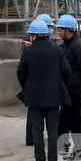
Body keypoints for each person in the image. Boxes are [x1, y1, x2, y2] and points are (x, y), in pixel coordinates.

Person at [17, 19, 71, 161]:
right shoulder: (57, 51)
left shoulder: (28, 51)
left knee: (37, 130)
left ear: (34, 35)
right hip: (54, 98)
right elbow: (67, 71)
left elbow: (20, 73)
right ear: (46, 34)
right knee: (53, 131)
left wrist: (27, 87)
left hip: (34, 97)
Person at [56, 15, 81, 161]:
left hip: (75, 92)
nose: (58, 32)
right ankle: (62, 147)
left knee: (75, 122)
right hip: (67, 91)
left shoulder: (78, 46)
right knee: (63, 121)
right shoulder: (67, 44)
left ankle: (79, 152)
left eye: (60, 29)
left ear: (68, 30)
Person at [23, 13, 57, 147]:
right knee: (37, 118)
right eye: (49, 26)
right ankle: (33, 141)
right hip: (39, 84)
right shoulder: (31, 41)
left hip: (34, 85)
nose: (50, 29)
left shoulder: (34, 39)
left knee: (34, 115)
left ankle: (32, 140)